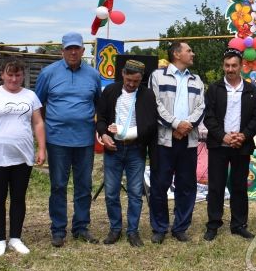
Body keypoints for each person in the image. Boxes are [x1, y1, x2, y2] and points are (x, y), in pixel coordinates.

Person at [34, 32, 102, 247]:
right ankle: (58, 229)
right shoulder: (48, 73)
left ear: (83, 50)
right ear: (62, 51)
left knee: (84, 185)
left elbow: (98, 104)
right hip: (57, 140)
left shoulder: (92, 75)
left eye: (77, 48)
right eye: (69, 49)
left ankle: (81, 227)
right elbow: (37, 107)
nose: (73, 52)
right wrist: (44, 135)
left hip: (84, 140)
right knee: (58, 185)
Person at [0, 58, 47, 257]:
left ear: (23, 75)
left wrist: (41, 148)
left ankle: (15, 237)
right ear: (2, 75)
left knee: (18, 197)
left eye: (17, 75)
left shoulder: (30, 96)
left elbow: (38, 123)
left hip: (23, 155)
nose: (14, 79)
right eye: (10, 74)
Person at [96, 59, 158, 247]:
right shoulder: (110, 91)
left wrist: (127, 132)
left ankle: (133, 231)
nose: (131, 84)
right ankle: (115, 229)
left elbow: (150, 126)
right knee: (111, 193)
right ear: (123, 74)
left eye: (136, 81)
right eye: (129, 80)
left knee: (135, 193)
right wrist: (104, 134)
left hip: (135, 149)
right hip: (113, 149)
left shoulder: (147, 96)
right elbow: (102, 119)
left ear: (141, 80)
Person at [202, 49, 256, 241]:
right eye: (227, 65)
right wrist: (223, 137)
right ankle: (213, 224)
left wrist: (243, 136)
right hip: (219, 145)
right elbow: (209, 117)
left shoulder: (251, 91)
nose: (230, 69)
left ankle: (239, 224)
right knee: (216, 186)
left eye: (234, 65)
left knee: (239, 186)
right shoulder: (214, 89)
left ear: (241, 67)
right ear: (223, 66)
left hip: (241, 146)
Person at [148, 41, 205, 243]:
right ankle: (160, 228)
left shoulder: (196, 80)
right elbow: (154, 104)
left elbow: (201, 107)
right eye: (189, 50)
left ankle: (180, 227)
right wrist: (175, 124)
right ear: (176, 54)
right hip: (164, 140)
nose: (193, 53)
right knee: (159, 184)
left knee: (186, 185)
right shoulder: (157, 76)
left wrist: (185, 125)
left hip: (188, 141)